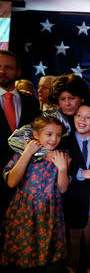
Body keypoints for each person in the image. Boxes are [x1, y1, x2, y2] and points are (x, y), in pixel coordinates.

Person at [0, 116, 69, 271]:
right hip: (24, 211)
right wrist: (27, 153)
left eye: (58, 135)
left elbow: (63, 189)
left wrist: (63, 169)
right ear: (36, 135)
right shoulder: (21, 152)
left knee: (47, 257)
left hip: (49, 212)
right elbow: (11, 182)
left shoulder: (60, 156)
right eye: (49, 134)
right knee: (22, 254)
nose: (54, 139)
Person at [61, 103, 90, 273]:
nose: (82, 120)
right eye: (79, 115)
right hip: (71, 202)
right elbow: (62, 166)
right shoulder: (63, 142)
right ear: (74, 118)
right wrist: (83, 172)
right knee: (72, 242)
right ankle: (71, 266)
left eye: (88, 117)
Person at [0, 50, 41, 223]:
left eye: (8, 67)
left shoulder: (31, 102)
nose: (2, 71)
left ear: (18, 72)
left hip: (25, 181)